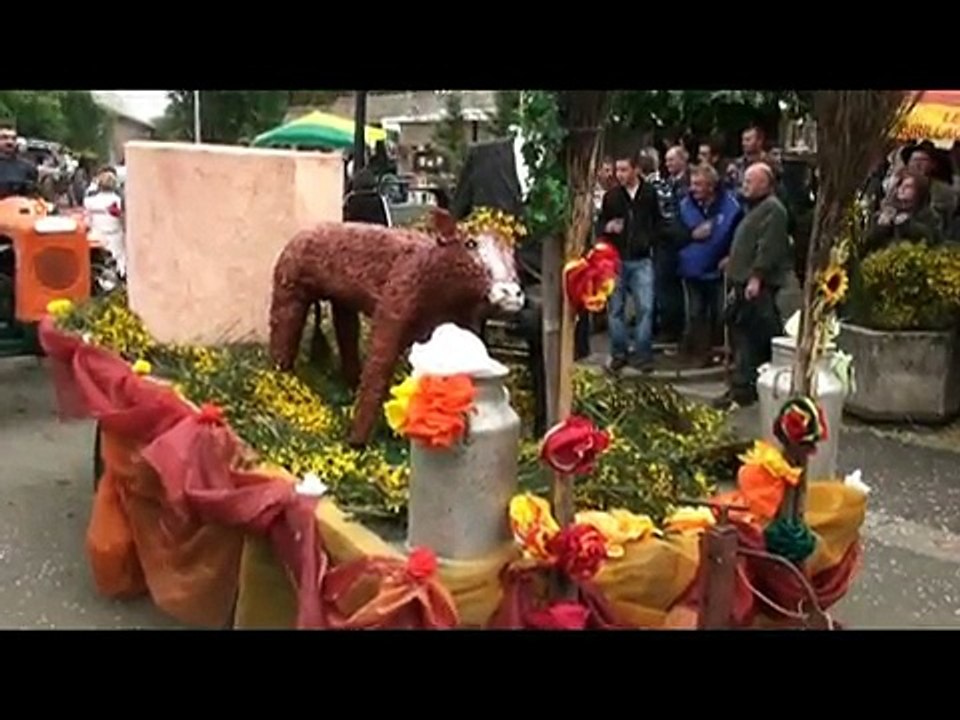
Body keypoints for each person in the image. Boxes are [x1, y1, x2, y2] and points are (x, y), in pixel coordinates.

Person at [718, 163, 793, 408]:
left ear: (765, 183)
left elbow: (768, 247)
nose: (745, 185)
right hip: (742, 281)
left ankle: (746, 389)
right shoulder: (754, 208)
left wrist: (756, 276)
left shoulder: (773, 210)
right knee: (744, 338)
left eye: (750, 181)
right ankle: (742, 387)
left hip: (757, 287)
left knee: (754, 339)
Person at [599, 151, 666, 373]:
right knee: (615, 309)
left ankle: (643, 354)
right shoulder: (612, 197)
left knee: (645, 307)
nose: (620, 175)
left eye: (624, 170)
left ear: (636, 169)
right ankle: (619, 352)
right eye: (617, 170)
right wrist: (608, 229)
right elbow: (601, 226)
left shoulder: (648, 194)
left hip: (641, 258)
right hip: (617, 258)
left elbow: (658, 221)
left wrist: (649, 241)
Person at [677, 164, 742, 366]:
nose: (693, 188)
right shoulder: (684, 205)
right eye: (692, 184)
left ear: (711, 186)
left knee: (720, 313)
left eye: (698, 184)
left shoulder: (731, 206)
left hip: (718, 271)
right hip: (692, 270)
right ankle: (699, 354)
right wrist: (690, 235)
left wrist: (732, 255)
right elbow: (671, 233)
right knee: (696, 313)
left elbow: (740, 235)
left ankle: (720, 352)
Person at [864, 170, 943, 252]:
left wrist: (905, 224)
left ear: (919, 190)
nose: (901, 189)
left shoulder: (929, 215)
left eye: (908, 186)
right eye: (899, 185)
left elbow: (930, 238)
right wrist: (883, 227)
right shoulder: (884, 213)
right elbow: (868, 243)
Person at [84, 169, 126, 276]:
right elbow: (122, 218)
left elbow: (87, 220)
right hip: (114, 233)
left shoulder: (89, 201)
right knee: (118, 258)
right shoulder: (118, 200)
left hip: (96, 235)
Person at [0, 120, 38, 200]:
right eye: (4, 138)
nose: (9, 142)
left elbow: (34, 196)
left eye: (13, 138)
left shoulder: (28, 168)